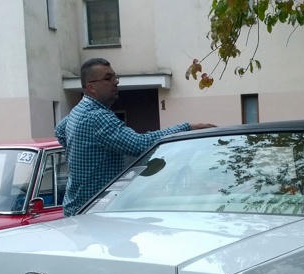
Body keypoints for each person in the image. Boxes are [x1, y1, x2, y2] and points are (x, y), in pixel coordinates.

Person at [55, 57, 215, 216]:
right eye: (108, 78)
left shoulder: (78, 111)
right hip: (95, 212)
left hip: (76, 208)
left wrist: (81, 156)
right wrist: (185, 128)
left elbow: (60, 131)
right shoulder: (97, 116)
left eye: (115, 77)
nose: (116, 82)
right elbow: (140, 144)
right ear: (91, 87)